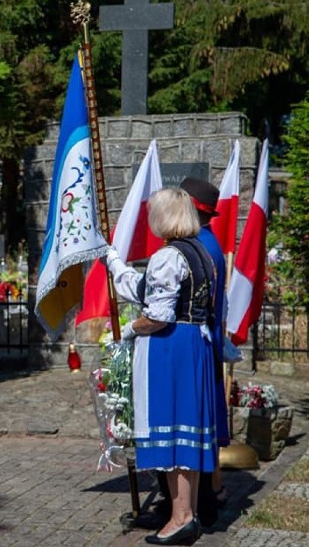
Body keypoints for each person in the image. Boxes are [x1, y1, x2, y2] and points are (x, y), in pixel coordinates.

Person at [104, 188, 217, 545]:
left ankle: (181, 517)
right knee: (187, 436)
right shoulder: (199, 252)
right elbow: (145, 289)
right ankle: (189, 513)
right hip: (193, 345)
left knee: (174, 435)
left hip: (172, 350)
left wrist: (126, 331)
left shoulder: (168, 256)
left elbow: (158, 314)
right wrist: (113, 261)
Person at [180, 177, 230, 517]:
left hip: (195, 345)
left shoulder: (200, 248)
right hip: (204, 343)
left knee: (196, 426)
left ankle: (199, 501)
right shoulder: (205, 243)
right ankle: (209, 493)